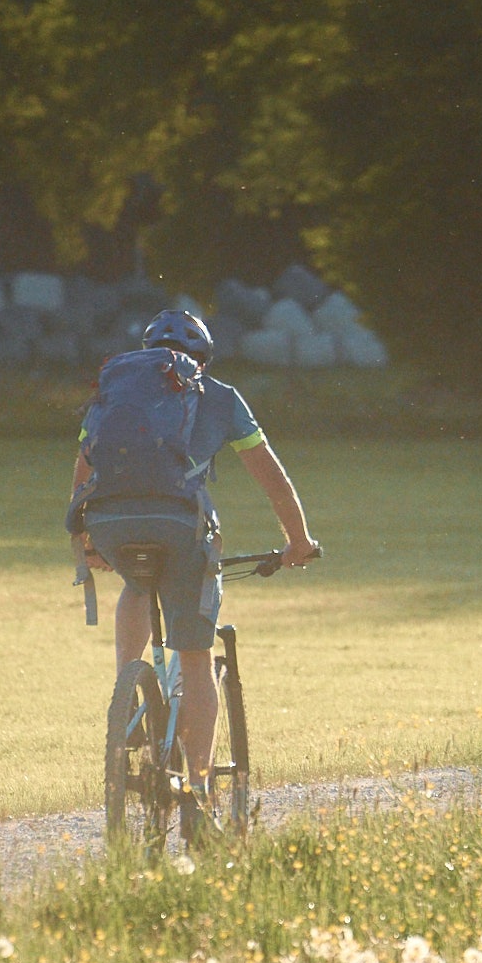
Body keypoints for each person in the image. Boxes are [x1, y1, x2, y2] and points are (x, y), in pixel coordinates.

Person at [70, 309, 318, 790]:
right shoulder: (220, 397)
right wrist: (298, 542)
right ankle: (200, 791)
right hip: (180, 524)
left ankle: (128, 691)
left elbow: (83, 469)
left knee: (137, 582)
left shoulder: (117, 392)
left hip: (107, 520)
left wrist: (86, 540)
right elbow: (274, 481)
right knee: (197, 659)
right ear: (203, 359)